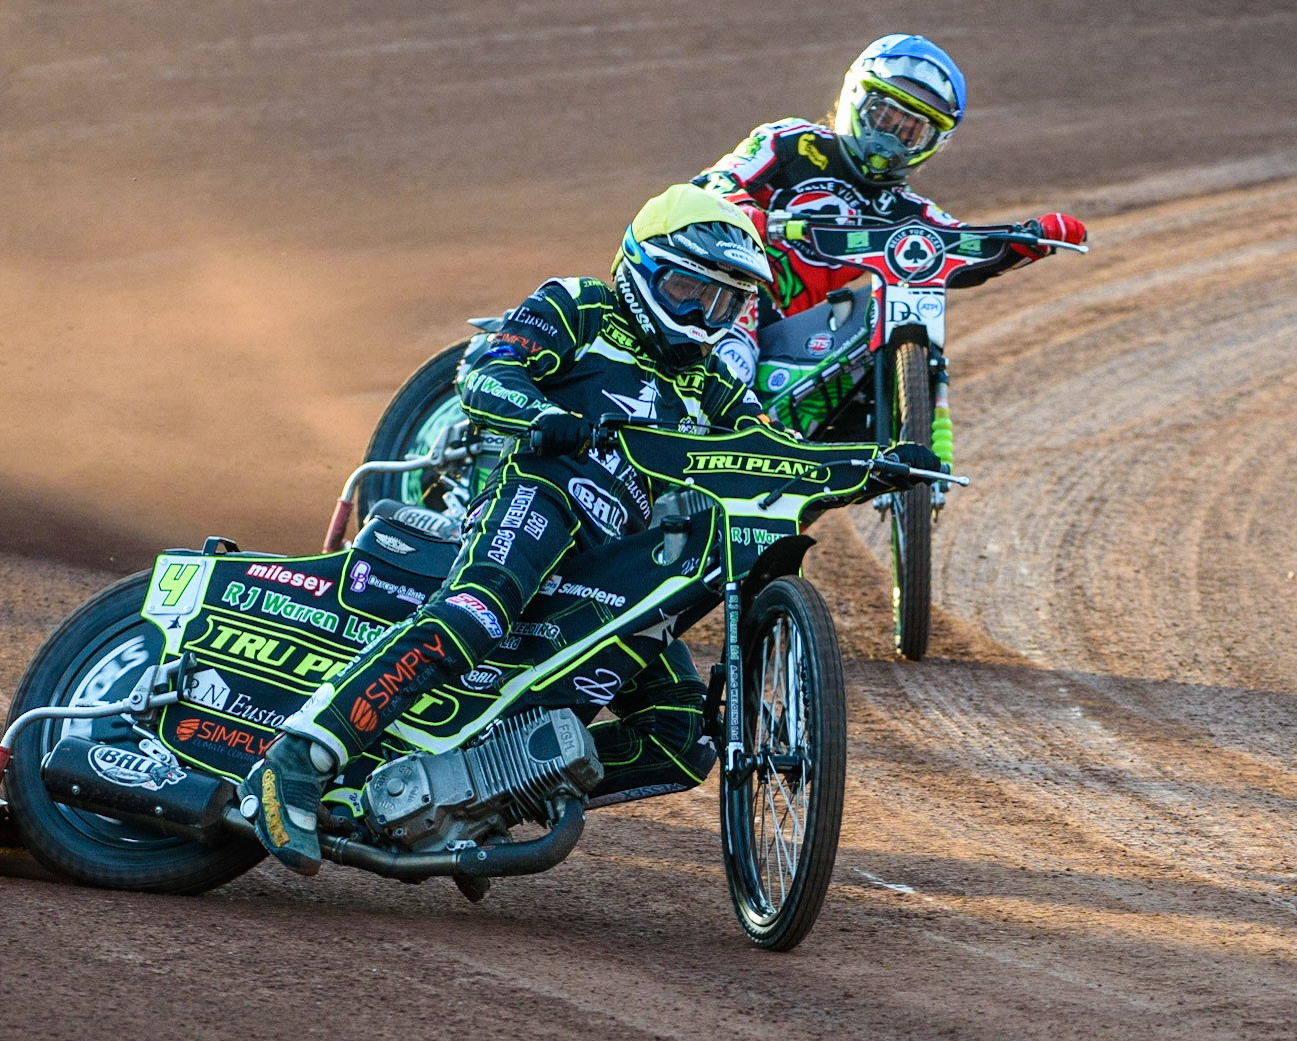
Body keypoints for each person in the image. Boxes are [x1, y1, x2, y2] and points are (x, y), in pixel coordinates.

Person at [239, 184, 933, 875]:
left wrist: (871, 464)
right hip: (538, 497)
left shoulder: (714, 377)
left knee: (680, 735)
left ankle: (479, 800)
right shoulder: (581, 305)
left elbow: (766, 444)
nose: (701, 314)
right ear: (643, 265)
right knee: (475, 614)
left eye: (722, 302)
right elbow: (482, 370)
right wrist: (543, 417)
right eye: (691, 288)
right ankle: (295, 761)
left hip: (620, 565)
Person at [693, 33, 1088, 387]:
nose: (891, 138)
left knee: (870, 340)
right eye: (884, 116)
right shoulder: (791, 141)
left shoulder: (907, 211)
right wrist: (745, 208)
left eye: (910, 131)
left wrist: (1027, 241)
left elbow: (960, 247)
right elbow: (717, 181)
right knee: (734, 357)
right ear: (856, 98)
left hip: (799, 330)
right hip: (724, 288)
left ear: (933, 142)